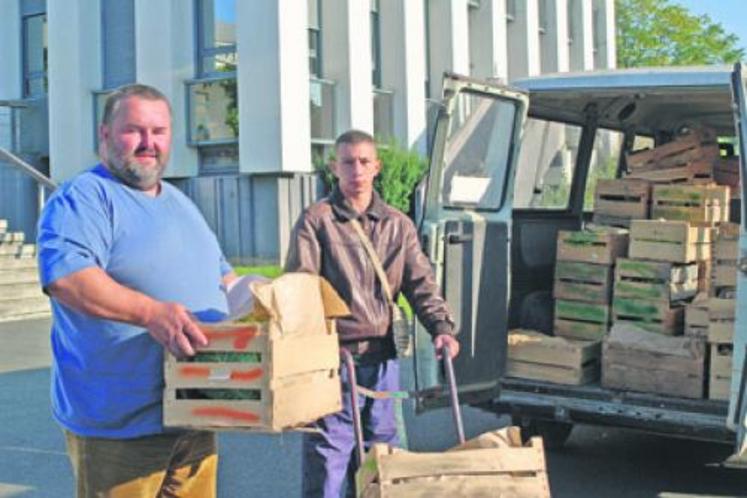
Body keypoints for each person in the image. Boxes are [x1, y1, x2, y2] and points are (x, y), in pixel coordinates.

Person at [37, 83, 236, 498]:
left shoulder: (180, 203)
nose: (149, 143)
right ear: (105, 134)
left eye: (159, 132)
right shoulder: (85, 197)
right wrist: (151, 313)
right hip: (120, 428)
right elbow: (68, 277)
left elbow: (225, 278)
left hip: (195, 414)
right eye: (134, 131)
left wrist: (276, 302)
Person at [285, 129, 460, 497]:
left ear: (377, 167)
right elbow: (298, 291)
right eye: (347, 162)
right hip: (334, 362)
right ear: (335, 167)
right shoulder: (316, 221)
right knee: (328, 457)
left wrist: (441, 327)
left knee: (382, 456)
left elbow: (421, 283)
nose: (356, 170)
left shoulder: (399, 225)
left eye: (364, 161)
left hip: (383, 361)